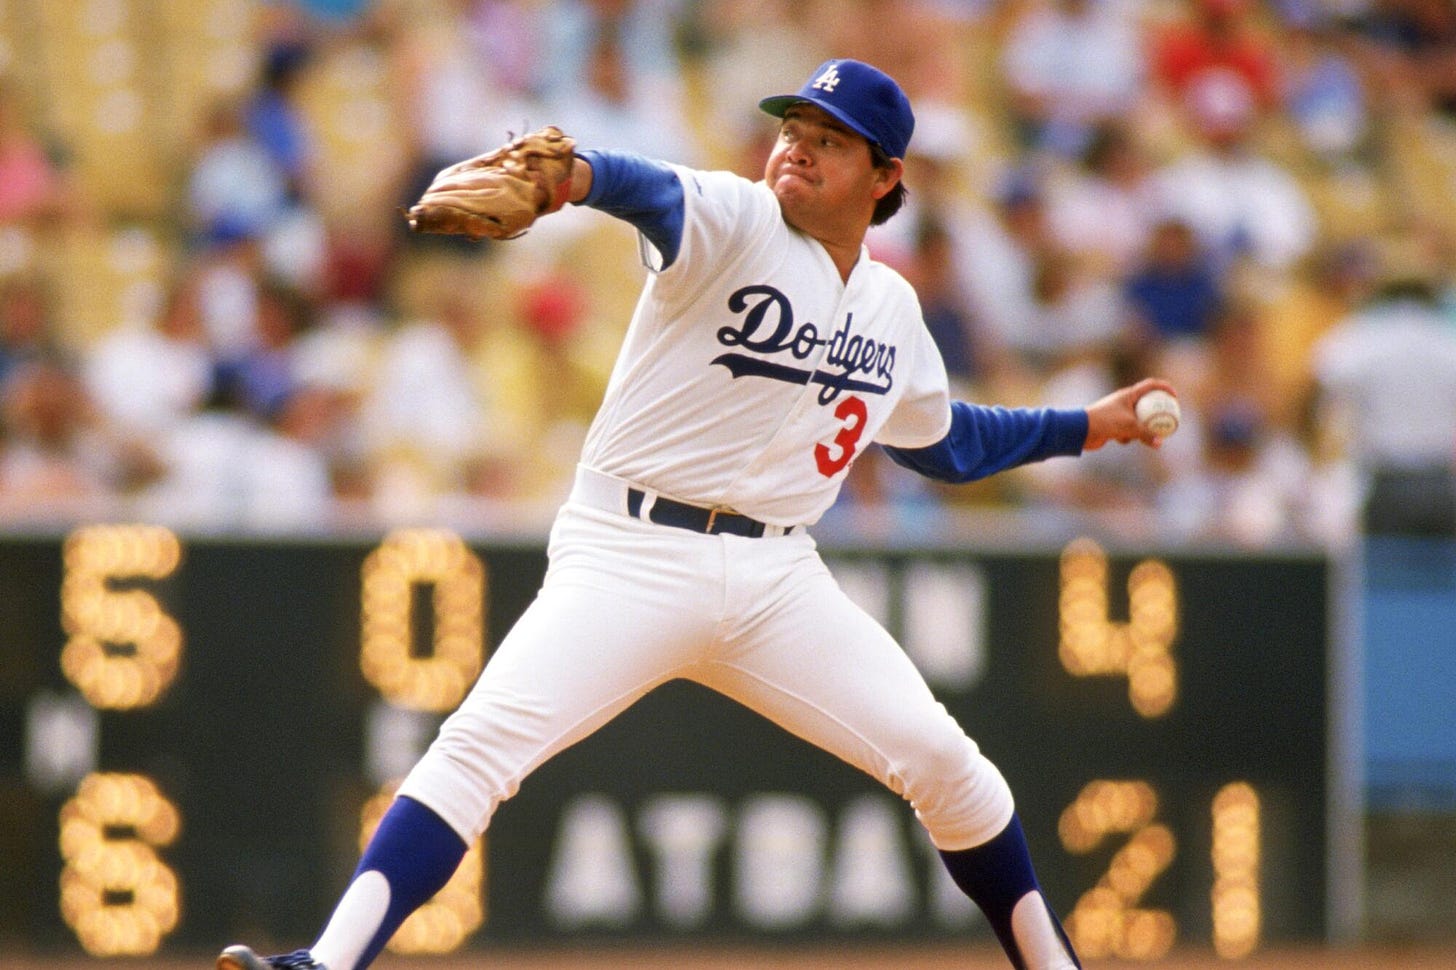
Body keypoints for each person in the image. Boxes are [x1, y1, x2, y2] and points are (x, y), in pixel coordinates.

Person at [216, 58, 1174, 970]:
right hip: (627, 551)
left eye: (829, 141)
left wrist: (1085, 425)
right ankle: (325, 962)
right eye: (792, 129)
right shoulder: (737, 217)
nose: (796, 147)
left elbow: (948, 443)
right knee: (479, 747)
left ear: (886, 177)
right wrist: (572, 178)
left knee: (949, 766)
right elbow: (646, 189)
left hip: (775, 580)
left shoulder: (892, 309)